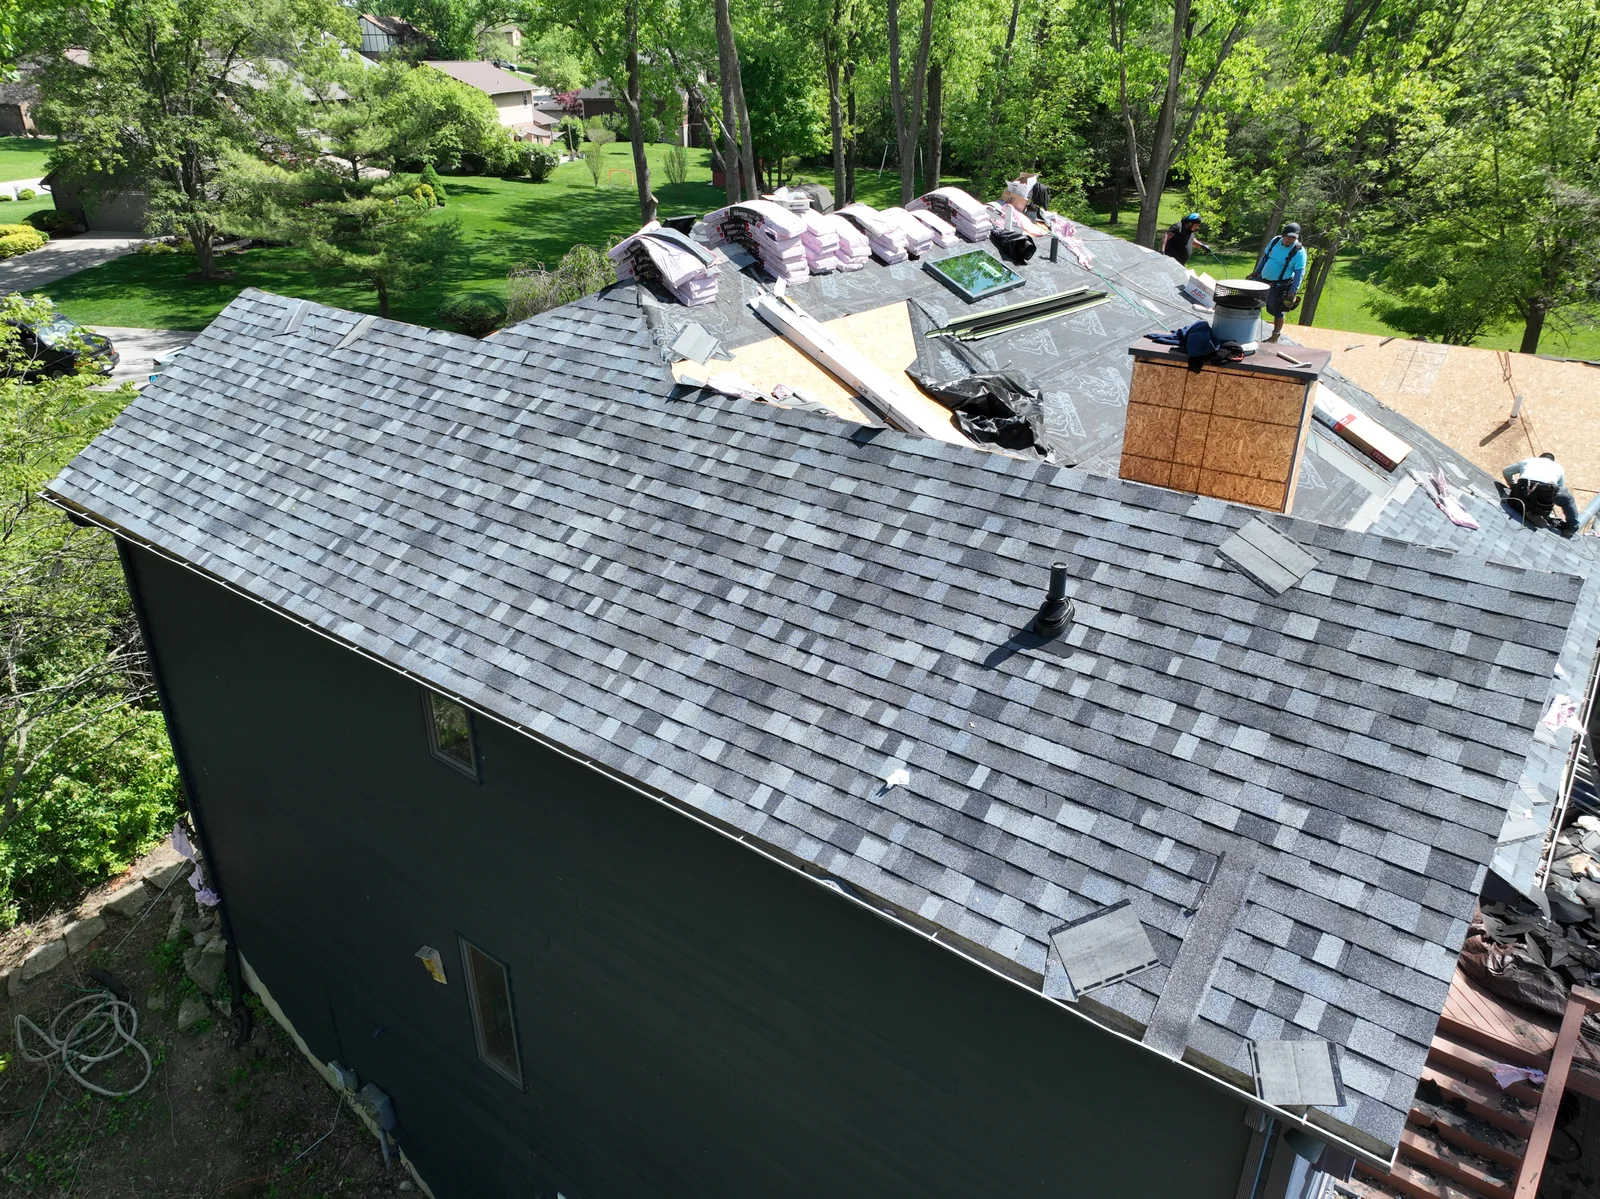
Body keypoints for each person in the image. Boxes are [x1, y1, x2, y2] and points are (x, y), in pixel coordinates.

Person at [1249, 222, 1308, 342]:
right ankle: (1247, 331)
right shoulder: (1275, 241)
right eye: (1288, 237)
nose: (1289, 240)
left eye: (1293, 238)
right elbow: (1265, 258)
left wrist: (1292, 292)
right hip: (1262, 280)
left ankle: (1274, 336)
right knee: (1251, 303)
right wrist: (1256, 273)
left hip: (1279, 286)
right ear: (1283, 235)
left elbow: (1299, 274)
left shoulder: (1299, 252)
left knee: (1277, 311)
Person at [1503, 452, 1581, 534]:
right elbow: (1558, 489)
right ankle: (1571, 528)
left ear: (1539, 457)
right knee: (1567, 499)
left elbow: (1506, 472)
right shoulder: (1558, 468)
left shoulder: (1528, 460)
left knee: (1523, 497)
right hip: (1544, 494)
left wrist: (1512, 485)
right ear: (1552, 461)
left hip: (1522, 490)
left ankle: (1528, 510)